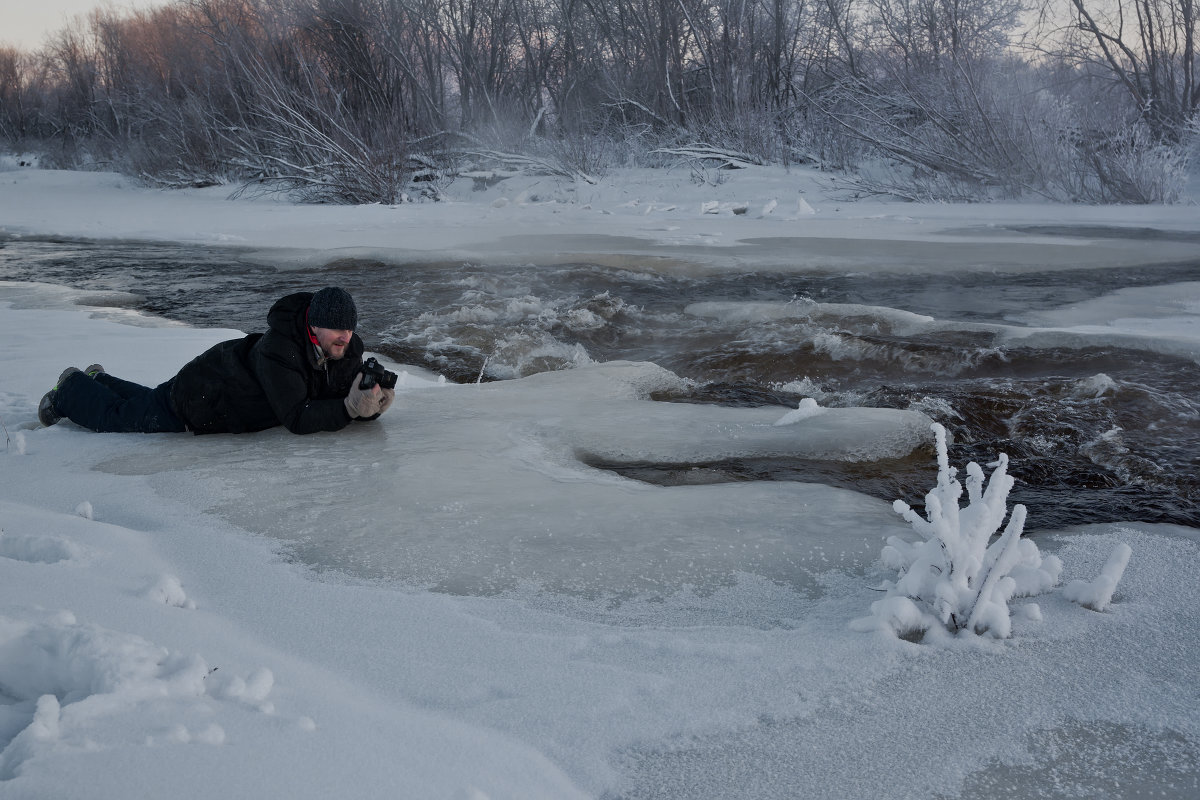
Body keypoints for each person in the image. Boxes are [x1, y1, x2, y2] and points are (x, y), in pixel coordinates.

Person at [38, 287, 395, 435]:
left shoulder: (344, 347)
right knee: (126, 418)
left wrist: (371, 404)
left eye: (350, 329)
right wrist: (350, 409)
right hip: (207, 393)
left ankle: (98, 381)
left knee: (147, 401)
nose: (346, 338)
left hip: (225, 383)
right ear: (314, 325)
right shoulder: (279, 349)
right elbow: (297, 417)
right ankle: (69, 390)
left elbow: (337, 393)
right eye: (337, 329)